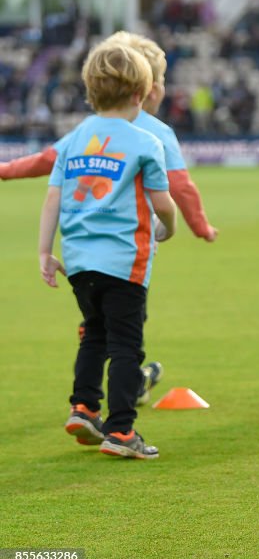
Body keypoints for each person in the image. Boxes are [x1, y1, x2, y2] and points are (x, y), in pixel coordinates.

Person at [3, 32, 217, 405]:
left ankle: (87, 401)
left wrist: (6, 170)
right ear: (146, 89)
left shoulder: (88, 130)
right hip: (129, 245)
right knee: (128, 322)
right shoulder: (156, 134)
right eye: (161, 80)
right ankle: (127, 394)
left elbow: (46, 162)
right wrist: (200, 227)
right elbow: (180, 187)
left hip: (82, 249)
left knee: (100, 323)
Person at [40, 41, 177, 459]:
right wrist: (167, 227)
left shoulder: (72, 140)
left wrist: (45, 253)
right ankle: (121, 431)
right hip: (124, 262)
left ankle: (82, 407)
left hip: (79, 263)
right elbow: (163, 202)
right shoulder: (143, 142)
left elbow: (52, 200)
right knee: (125, 347)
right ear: (140, 93)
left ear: (89, 91)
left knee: (93, 336)